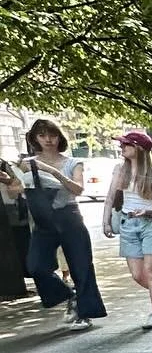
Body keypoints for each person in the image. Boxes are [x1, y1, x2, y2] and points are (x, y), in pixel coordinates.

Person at [0, 120, 106, 330]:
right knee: (36, 266)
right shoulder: (25, 163)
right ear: (34, 139)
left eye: (52, 135)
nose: (48, 140)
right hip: (42, 219)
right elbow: (17, 192)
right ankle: (70, 295)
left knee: (81, 266)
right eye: (42, 136)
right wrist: (9, 182)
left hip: (69, 216)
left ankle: (84, 314)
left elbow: (78, 190)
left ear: (60, 137)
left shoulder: (72, 162)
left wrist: (52, 171)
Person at [103, 129, 152, 329]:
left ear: (139, 148)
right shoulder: (120, 170)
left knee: (151, 271)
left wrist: (149, 209)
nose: (121, 147)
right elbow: (110, 198)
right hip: (128, 225)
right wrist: (106, 221)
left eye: (126, 144)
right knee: (137, 274)